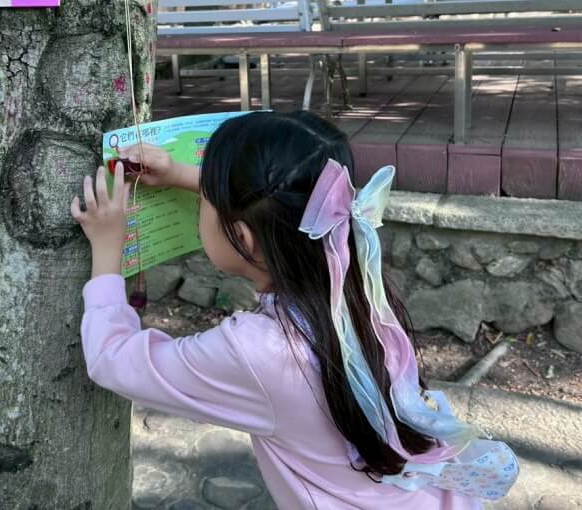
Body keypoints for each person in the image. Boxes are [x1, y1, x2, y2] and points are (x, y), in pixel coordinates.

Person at [71, 111, 518, 509]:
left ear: (243, 239)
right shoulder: (350, 275)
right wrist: (181, 175)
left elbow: (113, 361)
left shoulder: (258, 350)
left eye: (205, 200)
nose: (200, 202)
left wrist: (108, 250)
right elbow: (284, 200)